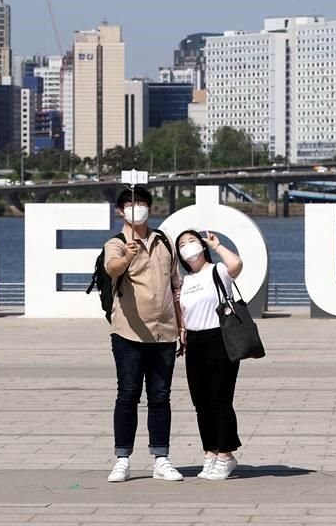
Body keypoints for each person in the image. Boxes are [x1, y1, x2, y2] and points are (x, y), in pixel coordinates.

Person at [103, 187, 184, 483]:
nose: (136, 208)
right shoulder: (116, 243)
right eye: (129, 204)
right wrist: (127, 257)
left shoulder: (165, 242)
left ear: (150, 207)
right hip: (128, 333)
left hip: (165, 333)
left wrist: (182, 325)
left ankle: (161, 458)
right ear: (120, 212)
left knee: (161, 397)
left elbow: (176, 287)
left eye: (141, 203)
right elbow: (112, 269)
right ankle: (122, 459)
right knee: (127, 395)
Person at [175, 229, 244, 481]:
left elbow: (236, 264)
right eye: (182, 244)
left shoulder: (217, 272)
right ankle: (210, 452)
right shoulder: (184, 281)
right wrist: (182, 333)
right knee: (200, 402)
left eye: (192, 241)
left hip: (220, 338)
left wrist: (217, 245)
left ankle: (226, 454)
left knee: (220, 399)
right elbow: (183, 312)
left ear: (202, 246)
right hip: (194, 341)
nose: (188, 246)